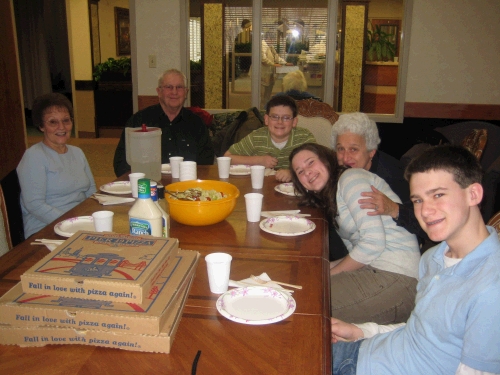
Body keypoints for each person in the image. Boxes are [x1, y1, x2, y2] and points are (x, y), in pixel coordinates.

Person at [331, 145, 500, 375]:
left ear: (474, 194)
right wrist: (361, 331)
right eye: (418, 200)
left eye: (438, 195)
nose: (426, 211)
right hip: (364, 350)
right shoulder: (434, 257)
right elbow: (419, 330)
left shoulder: (491, 287)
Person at [290, 143, 420, 324]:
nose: (307, 172)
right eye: (300, 171)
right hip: (377, 272)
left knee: (301, 301)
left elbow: (373, 244)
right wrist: (321, 268)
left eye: (310, 163)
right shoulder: (334, 194)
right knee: (301, 281)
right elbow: (359, 254)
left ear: (327, 160)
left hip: (397, 280)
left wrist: (328, 274)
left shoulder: (351, 179)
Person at [331, 112, 428, 258]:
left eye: (353, 149)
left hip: (395, 255)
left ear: (371, 152)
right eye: (340, 149)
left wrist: (394, 208)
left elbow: (426, 225)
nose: (345, 157)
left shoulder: (393, 176)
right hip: (357, 244)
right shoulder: (342, 169)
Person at [17, 93, 96, 238]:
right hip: (45, 228)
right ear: (41, 126)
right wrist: (71, 223)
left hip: (78, 223)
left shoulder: (77, 152)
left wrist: (91, 218)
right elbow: (34, 205)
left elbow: (91, 190)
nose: (62, 127)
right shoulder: (34, 156)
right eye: (53, 122)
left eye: (66, 120)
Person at [113, 69, 214, 177]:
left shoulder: (197, 123)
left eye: (179, 87)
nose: (174, 92)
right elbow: (121, 163)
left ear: (186, 92)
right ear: (159, 92)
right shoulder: (138, 121)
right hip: (149, 186)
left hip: (187, 186)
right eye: (169, 87)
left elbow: (206, 162)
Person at [225, 95, 316, 183]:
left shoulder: (304, 137)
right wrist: (259, 160)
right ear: (266, 120)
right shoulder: (256, 137)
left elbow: (319, 163)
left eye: (286, 118)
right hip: (262, 188)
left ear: (294, 122)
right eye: (275, 117)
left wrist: (293, 173)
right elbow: (227, 158)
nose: (280, 122)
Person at [260, 37, 289, 109]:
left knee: (267, 95)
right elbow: (263, 59)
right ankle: (260, 111)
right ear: (267, 38)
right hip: (261, 74)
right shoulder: (262, 45)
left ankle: (265, 109)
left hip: (269, 74)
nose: (273, 41)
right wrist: (273, 64)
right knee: (261, 95)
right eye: (271, 39)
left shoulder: (270, 46)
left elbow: (277, 58)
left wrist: (285, 63)